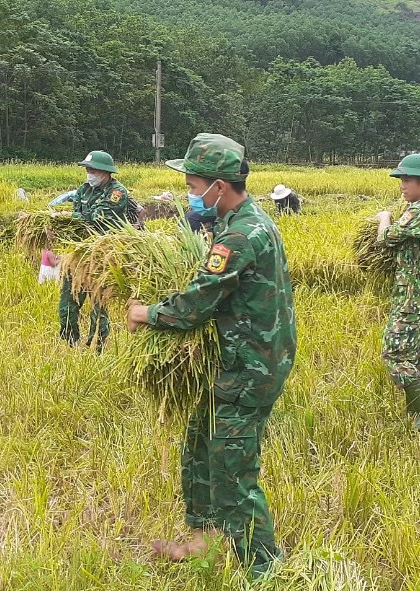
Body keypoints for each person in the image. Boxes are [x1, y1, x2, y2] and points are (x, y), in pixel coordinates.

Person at [126, 133, 296, 579]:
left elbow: (195, 304)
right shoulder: (244, 221)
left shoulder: (240, 235)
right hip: (233, 361)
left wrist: (146, 313)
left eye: (194, 184)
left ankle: (265, 570)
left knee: (232, 472)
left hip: (249, 367)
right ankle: (203, 540)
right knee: (200, 447)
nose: (191, 193)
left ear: (219, 186)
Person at [372, 153, 420, 432]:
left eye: (407, 179)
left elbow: (385, 238)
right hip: (418, 296)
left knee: (396, 354)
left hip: (415, 299)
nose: (402, 185)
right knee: (413, 357)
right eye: (401, 179)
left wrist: (384, 218)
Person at [56, 150, 135, 351]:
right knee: (68, 299)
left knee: (99, 303)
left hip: (104, 254)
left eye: (93, 170)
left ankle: (97, 346)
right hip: (80, 252)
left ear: (106, 172)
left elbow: (98, 217)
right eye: (87, 170)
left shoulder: (117, 193)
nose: (89, 174)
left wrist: (71, 217)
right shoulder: (83, 190)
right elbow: (77, 218)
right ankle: (70, 342)